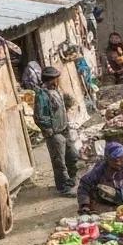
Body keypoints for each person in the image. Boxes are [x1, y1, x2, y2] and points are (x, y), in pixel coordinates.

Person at [34, 67, 79, 196]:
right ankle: (64, 188)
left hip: (64, 129)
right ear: (50, 80)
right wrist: (51, 128)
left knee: (73, 156)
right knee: (59, 162)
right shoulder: (41, 94)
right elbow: (39, 117)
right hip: (54, 133)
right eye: (56, 78)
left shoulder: (56, 90)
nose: (58, 80)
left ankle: (71, 180)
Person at [76, 142, 123, 214]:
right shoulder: (99, 170)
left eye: (121, 158)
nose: (118, 163)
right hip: (105, 205)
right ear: (107, 159)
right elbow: (84, 185)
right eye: (114, 160)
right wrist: (84, 205)